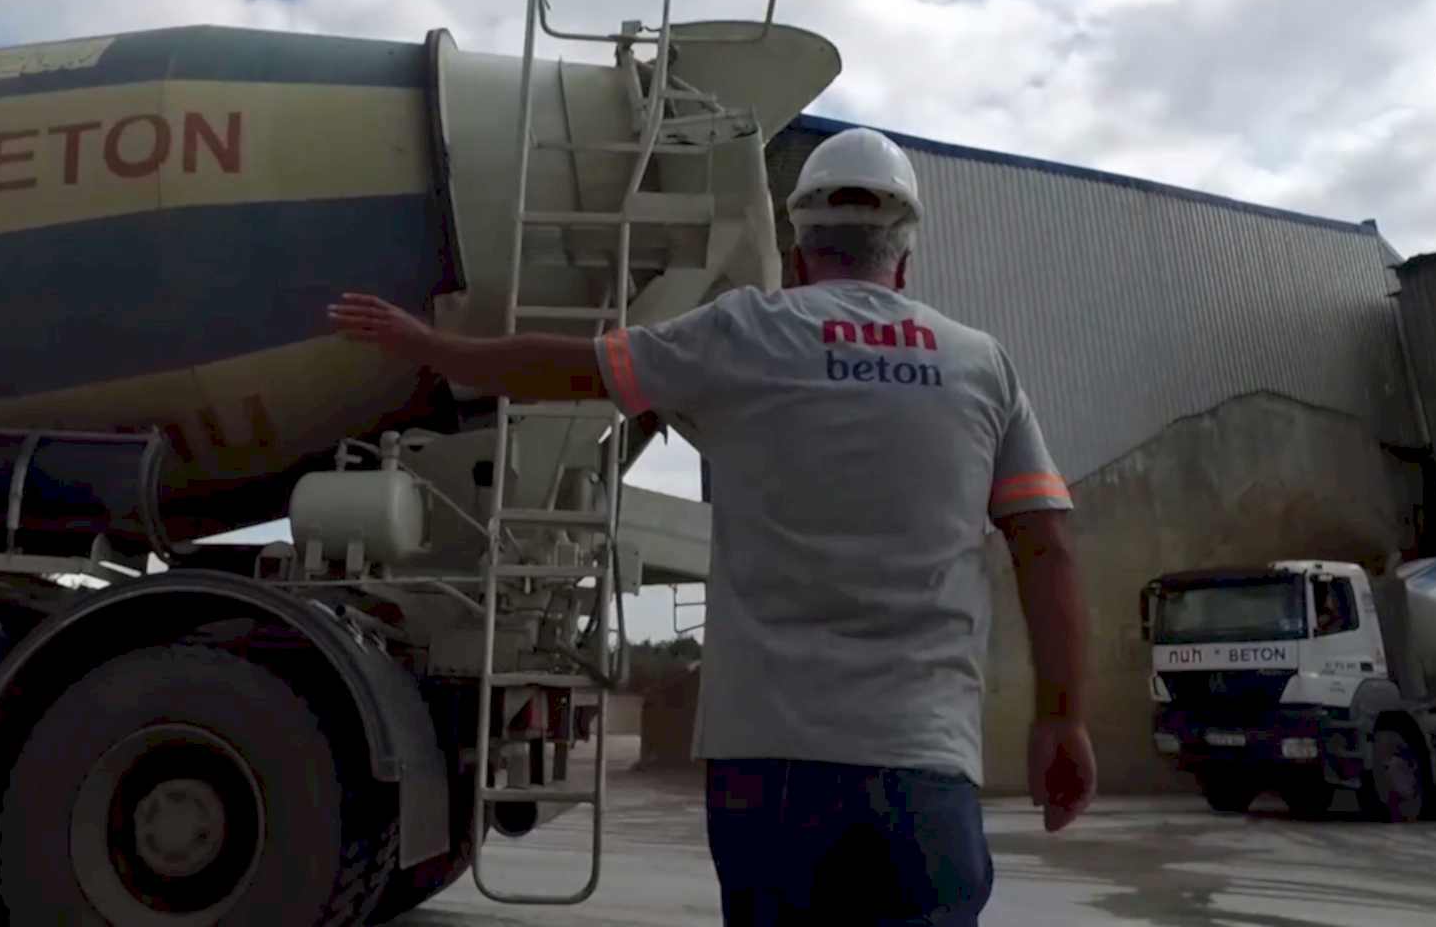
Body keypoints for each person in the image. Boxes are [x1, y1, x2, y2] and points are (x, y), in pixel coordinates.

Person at [329, 127, 1095, 925]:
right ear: (904, 261)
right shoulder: (980, 364)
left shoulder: (744, 332)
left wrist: (433, 346)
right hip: (927, 764)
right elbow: (1046, 547)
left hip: (769, 770)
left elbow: (566, 365)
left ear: (798, 254)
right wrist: (1063, 718)